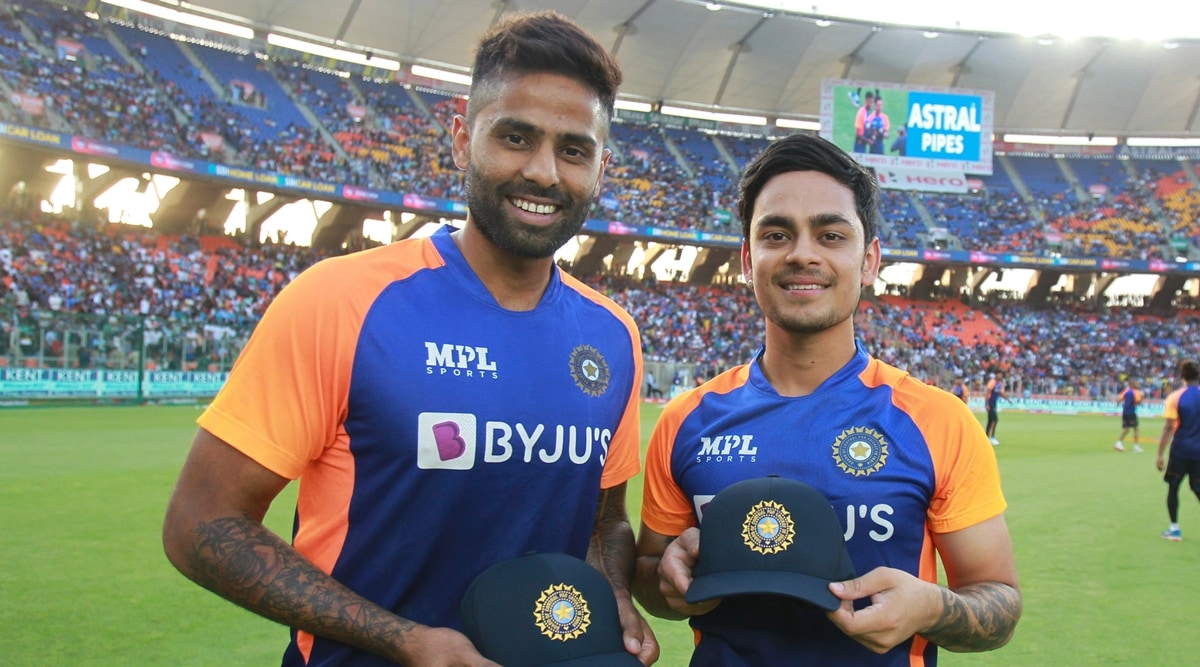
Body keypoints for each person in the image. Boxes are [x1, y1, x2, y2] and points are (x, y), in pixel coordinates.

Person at [161, 11, 658, 666]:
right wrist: (404, 640)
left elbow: (603, 521)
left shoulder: (613, 335)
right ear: (460, 138)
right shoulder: (339, 301)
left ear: (600, 167)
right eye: (515, 137)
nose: (543, 172)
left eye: (574, 150)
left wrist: (614, 589)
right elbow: (200, 523)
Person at [632, 134, 1021, 665]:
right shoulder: (686, 421)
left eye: (831, 234)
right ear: (748, 259)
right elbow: (651, 575)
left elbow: (999, 602)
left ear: (869, 260)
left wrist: (931, 609)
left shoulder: (937, 421)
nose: (802, 254)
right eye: (776, 234)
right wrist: (668, 581)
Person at [1156, 360, 1200, 542]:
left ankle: (1174, 529)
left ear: (1182, 376)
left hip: (1180, 450)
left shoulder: (1175, 397)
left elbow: (1168, 427)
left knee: (1173, 487)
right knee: (1197, 488)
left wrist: (1159, 454)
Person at [1114, 379, 1143, 453]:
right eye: (1136, 383)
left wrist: (1117, 405)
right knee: (1136, 429)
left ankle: (1119, 443)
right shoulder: (1136, 392)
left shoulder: (1125, 391)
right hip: (1131, 412)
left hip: (1125, 412)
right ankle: (1136, 446)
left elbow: (1118, 399)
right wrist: (1142, 397)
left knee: (1126, 429)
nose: (1138, 385)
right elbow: (1139, 402)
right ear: (1133, 384)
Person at [985, 373, 1007, 445]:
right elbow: (987, 393)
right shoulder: (992, 383)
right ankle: (992, 437)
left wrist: (1006, 398)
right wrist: (987, 404)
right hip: (990, 403)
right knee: (995, 420)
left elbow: (999, 392)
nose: (1000, 376)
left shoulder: (999, 383)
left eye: (1001, 375)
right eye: (999, 374)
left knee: (990, 420)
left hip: (994, 403)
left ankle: (986, 437)